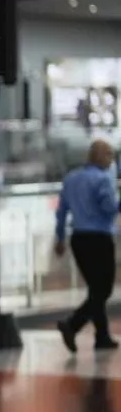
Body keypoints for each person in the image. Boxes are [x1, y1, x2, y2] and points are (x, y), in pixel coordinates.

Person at [55, 140, 119, 352]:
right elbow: (109, 208)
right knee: (104, 288)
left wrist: (59, 237)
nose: (112, 161)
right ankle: (72, 324)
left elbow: (62, 210)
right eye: (110, 155)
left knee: (95, 289)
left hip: (79, 239)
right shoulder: (102, 180)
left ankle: (102, 336)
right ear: (100, 156)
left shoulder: (71, 178)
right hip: (99, 239)